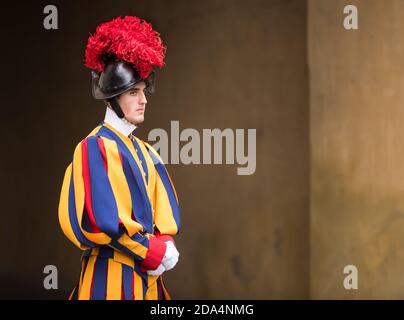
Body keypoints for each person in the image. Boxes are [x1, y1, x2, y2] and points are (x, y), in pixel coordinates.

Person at [58, 16, 181, 300]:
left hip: (149, 283)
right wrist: (152, 251)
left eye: (143, 91)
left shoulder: (148, 151)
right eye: (133, 92)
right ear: (112, 98)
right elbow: (105, 220)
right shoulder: (93, 147)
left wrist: (165, 242)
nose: (144, 100)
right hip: (109, 279)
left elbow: (163, 212)